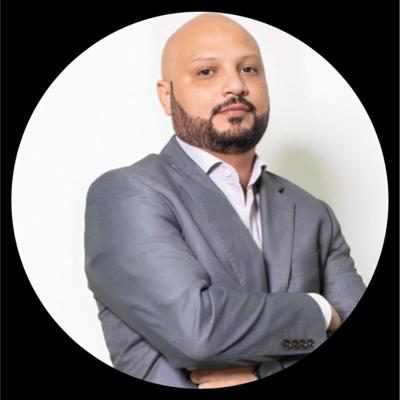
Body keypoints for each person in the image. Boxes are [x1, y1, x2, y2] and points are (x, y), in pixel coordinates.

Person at [84, 12, 366, 389]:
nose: (235, 85)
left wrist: (261, 373)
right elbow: (198, 331)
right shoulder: (127, 194)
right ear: (167, 96)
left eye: (249, 69)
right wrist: (321, 311)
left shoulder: (312, 212)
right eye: (207, 72)